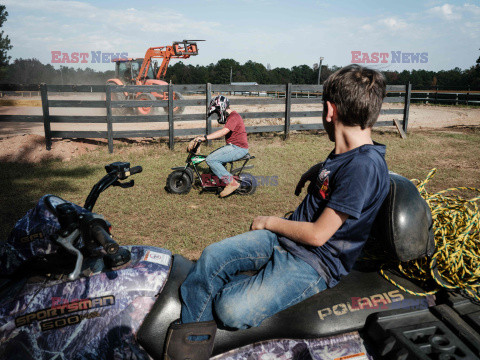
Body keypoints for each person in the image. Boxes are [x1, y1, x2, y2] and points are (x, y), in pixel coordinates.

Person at [164, 65, 390, 360]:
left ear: (329, 111)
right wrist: (316, 172)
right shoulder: (346, 153)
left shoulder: (363, 166)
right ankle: (191, 346)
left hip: (313, 263)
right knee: (211, 257)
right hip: (286, 240)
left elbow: (319, 235)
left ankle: (206, 321)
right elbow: (340, 176)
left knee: (229, 308)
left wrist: (270, 221)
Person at [190, 95, 249, 198]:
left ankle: (231, 183)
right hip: (234, 147)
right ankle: (217, 180)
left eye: (217, 112)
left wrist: (204, 138)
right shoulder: (232, 117)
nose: (218, 115)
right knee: (213, 156)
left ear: (221, 107)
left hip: (237, 148)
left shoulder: (234, 117)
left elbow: (223, 131)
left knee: (211, 160)